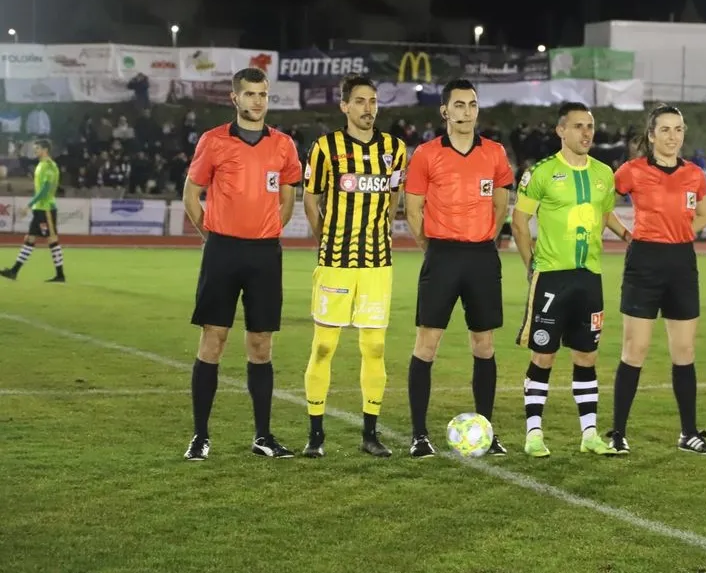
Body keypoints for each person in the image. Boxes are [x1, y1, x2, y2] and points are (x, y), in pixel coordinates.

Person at [181, 67, 302, 461]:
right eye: (250, 94)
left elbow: (287, 199)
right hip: (222, 251)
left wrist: (267, 231)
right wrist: (213, 238)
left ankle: (263, 437)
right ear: (234, 98)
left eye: (262, 94)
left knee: (261, 345)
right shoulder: (213, 141)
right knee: (213, 339)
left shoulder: (283, 145)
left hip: (265, 254)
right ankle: (200, 436)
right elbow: (191, 195)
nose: (257, 101)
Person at [510, 103, 630, 458]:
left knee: (587, 355)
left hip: (589, 277)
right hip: (551, 278)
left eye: (589, 126)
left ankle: (589, 434)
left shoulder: (604, 173)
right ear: (561, 131)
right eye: (578, 126)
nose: (586, 132)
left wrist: (627, 236)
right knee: (543, 355)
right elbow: (519, 222)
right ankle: (534, 434)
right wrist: (531, 265)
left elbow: (605, 213)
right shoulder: (541, 173)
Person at [403, 78, 514, 459]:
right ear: (444, 111)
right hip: (442, 255)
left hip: (481, 256)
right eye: (459, 105)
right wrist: (434, 249)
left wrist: (483, 241)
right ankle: (419, 435)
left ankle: (486, 431)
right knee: (427, 343)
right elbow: (413, 210)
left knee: (484, 344)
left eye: (472, 104)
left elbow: (500, 206)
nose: (467, 112)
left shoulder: (495, 153)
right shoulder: (426, 154)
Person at [300, 74, 407, 459]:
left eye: (373, 101)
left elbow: (393, 196)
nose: (368, 108)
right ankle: (315, 435)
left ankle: (370, 434)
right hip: (336, 261)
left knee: (374, 347)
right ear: (344, 106)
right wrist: (326, 240)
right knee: (324, 346)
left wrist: (381, 233)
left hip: (377, 262)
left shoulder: (395, 148)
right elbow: (310, 199)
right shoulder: (325, 148)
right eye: (360, 101)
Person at [609, 103, 706, 456]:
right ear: (652, 135)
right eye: (666, 130)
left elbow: (705, 214)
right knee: (635, 349)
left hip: (681, 263)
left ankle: (689, 433)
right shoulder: (632, 171)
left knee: (684, 351)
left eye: (679, 129)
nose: (673, 136)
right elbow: (602, 205)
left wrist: (681, 233)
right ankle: (618, 433)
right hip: (644, 262)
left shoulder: (695, 174)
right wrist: (626, 234)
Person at [1, 139, 66, 283]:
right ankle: (14, 271)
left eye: (37, 148)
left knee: (52, 240)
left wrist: (29, 205)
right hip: (40, 209)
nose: (35, 151)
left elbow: (45, 190)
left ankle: (60, 275)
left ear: (45, 150)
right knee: (30, 239)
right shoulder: (41, 165)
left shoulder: (48, 166)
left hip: (46, 208)